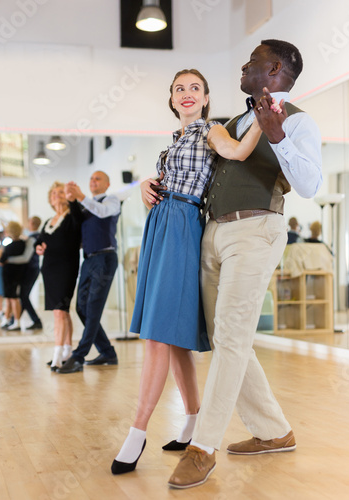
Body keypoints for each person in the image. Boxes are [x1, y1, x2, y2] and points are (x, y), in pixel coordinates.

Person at [168, 40, 323, 489]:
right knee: (226, 339)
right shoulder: (232, 121)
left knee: (233, 338)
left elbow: (310, 184)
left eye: (252, 60)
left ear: (274, 69)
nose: (243, 65)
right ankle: (274, 431)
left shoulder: (298, 120)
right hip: (213, 233)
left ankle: (203, 446)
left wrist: (276, 135)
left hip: (256, 231)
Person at [111, 68, 273, 475]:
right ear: (171, 99)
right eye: (179, 89)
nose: (186, 94)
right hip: (161, 224)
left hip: (183, 224)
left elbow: (236, 152)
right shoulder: (176, 140)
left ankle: (137, 432)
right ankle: (192, 420)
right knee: (176, 339)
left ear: (205, 99)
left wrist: (264, 123)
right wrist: (147, 184)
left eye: (194, 89)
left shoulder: (209, 131)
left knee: (157, 335)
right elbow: (167, 179)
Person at [56, 171, 120, 374]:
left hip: (105, 258)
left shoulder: (112, 201)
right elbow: (77, 223)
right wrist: (72, 200)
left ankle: (78, 356)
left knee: (92, 308)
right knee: (81, 308)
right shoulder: (85, 205)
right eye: (91, 178)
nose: (93, 181)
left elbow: (101, 212)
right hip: (89, 259)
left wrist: (80, 197)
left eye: (98, 178)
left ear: (107, 184)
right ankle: (107, 352)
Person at [36, 182, 82, 371]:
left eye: (60, 192)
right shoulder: (48, 221)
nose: (57, 195)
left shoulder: (72, 216)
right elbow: (40, 241)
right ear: (50, 198)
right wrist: (38, 247)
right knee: (62, 312)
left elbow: (79, 225)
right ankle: (67, 351)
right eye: (53, 193)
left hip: (66, 268)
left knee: (59, 311)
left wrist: (74, 200)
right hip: (49, 269)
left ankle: (57, 355)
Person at [6, 216, 43, 330]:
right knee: (23, 295)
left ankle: (35, 321)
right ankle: (15, 320)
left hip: (31, 270)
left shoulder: (32, 239)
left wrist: (8, 259)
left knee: (23, 296)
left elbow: (26, 258)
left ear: (31, 223)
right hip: (32, 269)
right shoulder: (35, 237)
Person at [0, 222, 26, 331]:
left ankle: (16, 321)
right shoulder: (23, 244)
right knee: (11, 297)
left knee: (12, 298)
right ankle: (7, 318)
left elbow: (1, 260)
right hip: (19, 273)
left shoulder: (9, 246)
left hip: (9, 274)